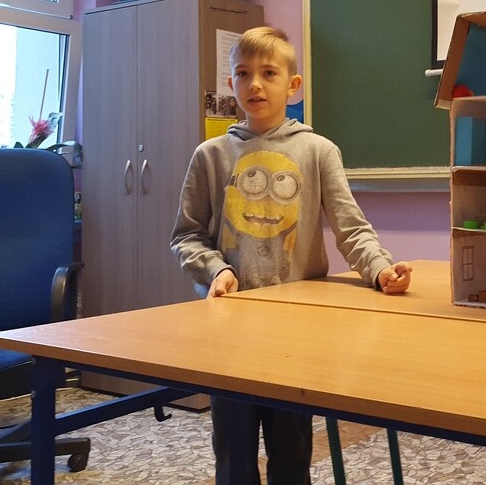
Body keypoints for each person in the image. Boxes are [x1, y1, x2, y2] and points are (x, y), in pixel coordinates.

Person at [171, 26, 413, 485]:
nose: (255, 84)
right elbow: (187, 236)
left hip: (296, 332)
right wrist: (216, 270)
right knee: (233, 457)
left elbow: (351, 229)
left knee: (291, 454)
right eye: (244, 74)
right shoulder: (210, 155)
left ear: (293, 84)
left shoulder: (318, 151)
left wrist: (380, 270)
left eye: (269, 73)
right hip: (230, 332)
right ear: (231, 83)